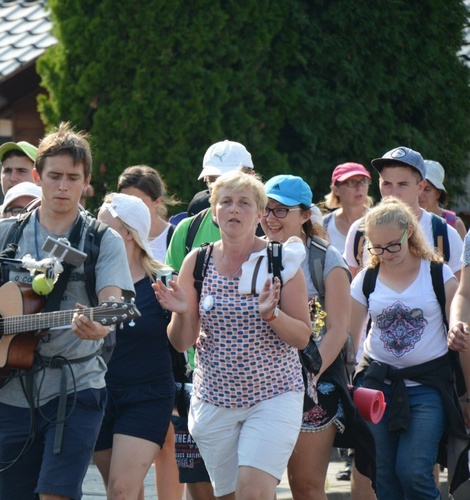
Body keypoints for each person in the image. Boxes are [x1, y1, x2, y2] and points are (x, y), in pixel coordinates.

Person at [0, 122, 133, 500]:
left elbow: (113, 302)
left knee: (56, 494)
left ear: (87, 181)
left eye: (73, 177)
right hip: (11, 390)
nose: (63, 186)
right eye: (54, 176)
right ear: (38, 177)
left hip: (77, 387)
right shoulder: (7, 233)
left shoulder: (103, 240)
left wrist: (101, 326)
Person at [154, 170, 312, 499]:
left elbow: (302, 337)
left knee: (252, 493)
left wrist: (272, 314)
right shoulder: (196, 262)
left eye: (244, 203)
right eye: (225, 202)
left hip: (273, 395)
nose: (234, 210)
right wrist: (182, 313)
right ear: (214, 212)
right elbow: (181, 342)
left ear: (259, 213)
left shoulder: (280, 261)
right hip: (214, 400)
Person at [261, 175, 376, 499]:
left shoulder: (326, 259)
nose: (270, 218)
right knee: (257, 484)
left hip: (315, 384)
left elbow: (338, 329)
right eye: (266, 209)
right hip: (259, 383)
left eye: (281, 211)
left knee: (306, 485)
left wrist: (309, 376)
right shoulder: (254, 254)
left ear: (305, 214)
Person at [349, 197, 468, 498]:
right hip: (377, 387)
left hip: (428, 387)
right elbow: (349, 339)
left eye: (393, 245)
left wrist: (457, 332)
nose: (384, 254)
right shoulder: (366, 279)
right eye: (376, 247)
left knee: (413, 472)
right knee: (384, 475)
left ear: (410, 234)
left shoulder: (437, 273)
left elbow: (460, 325)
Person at [92, 193, 175, 499]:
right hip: (99, 396)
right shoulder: (91, 279)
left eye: (104, 225)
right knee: (126, 492)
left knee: (121, 490)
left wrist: (184, 313)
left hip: (147, 396)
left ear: (127, 232)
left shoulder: (163, 281)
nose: (95, 231)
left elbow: (183, 341)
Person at [116, 166, 186, 499]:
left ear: (156, 203)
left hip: (161, 350)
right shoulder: (106, 247)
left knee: (167, 440)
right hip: (124, 354)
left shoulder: (174, 236)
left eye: (138, 203)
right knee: (124, 477)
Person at [344, 146, 463, 279]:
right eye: (387, 184)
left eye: (402, 184)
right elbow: (349, 291)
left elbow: (461, 293)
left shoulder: (444, 234)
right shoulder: (360, 230)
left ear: (420, 187)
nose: (393, 193)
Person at [165, 140, 255, 267]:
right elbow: (171, 283)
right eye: (212, 180)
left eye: (230, 180)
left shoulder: (269, 226)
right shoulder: (186, 229)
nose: (219, 186)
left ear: (252, 177)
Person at [117, 165, 180, 263]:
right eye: (124, 202)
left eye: (137, 203)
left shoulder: (176, 238)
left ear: (157, 202)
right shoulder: (115, 237)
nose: (129, 209)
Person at [321, 162, 373, 255]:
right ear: (336, 189)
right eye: (352, 182)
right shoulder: (324, 225)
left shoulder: (379, 221)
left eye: (363, 181)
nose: (359, 187)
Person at [420, 159, 467, 240]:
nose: (420, 194)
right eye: (418, 188)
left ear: (438, 193)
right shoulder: (405, 221)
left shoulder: (454, 224)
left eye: (427, 189)